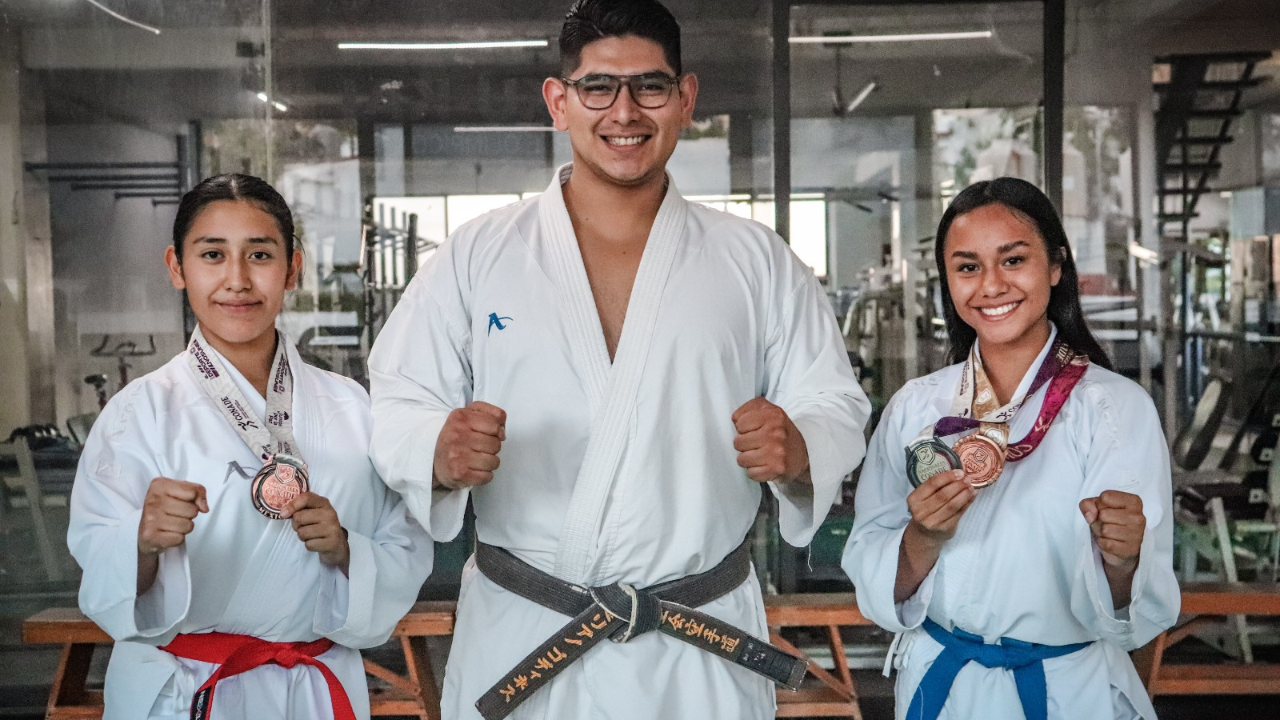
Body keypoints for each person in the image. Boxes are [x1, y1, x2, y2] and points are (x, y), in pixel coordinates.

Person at [367, 1, 870, 718]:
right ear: (559, 101)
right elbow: (398, 398)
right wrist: (438, 450)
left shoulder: (755, 261)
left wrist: (800, 446)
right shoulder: (478, 255)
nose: (624, 111)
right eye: (598, 87)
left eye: (650, 87)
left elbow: (833, 401)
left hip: (696, 643)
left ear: (686, 98)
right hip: (526, 629)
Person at [68, 174, 434, 720]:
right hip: (184, 690)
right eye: (212, 254)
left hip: (312, 684)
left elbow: (405, 548)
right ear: (177, 267)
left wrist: (346, 549)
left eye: (259, 254)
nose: (236, 280)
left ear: (292, 268)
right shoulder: (138, 413)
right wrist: (141, 542)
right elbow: (103, 583)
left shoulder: (352, 407)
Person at [842, 177, 1180, 720]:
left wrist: (1123, 557)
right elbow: (873, 570)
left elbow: (1133, 612)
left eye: (1013, 260)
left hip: (1065, 693)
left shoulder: (1113, 408)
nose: (991, 286)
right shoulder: (915, 408)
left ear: (1055, 266)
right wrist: (923, 537)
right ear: (948, 282)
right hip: (940, 685)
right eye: (968, 267)